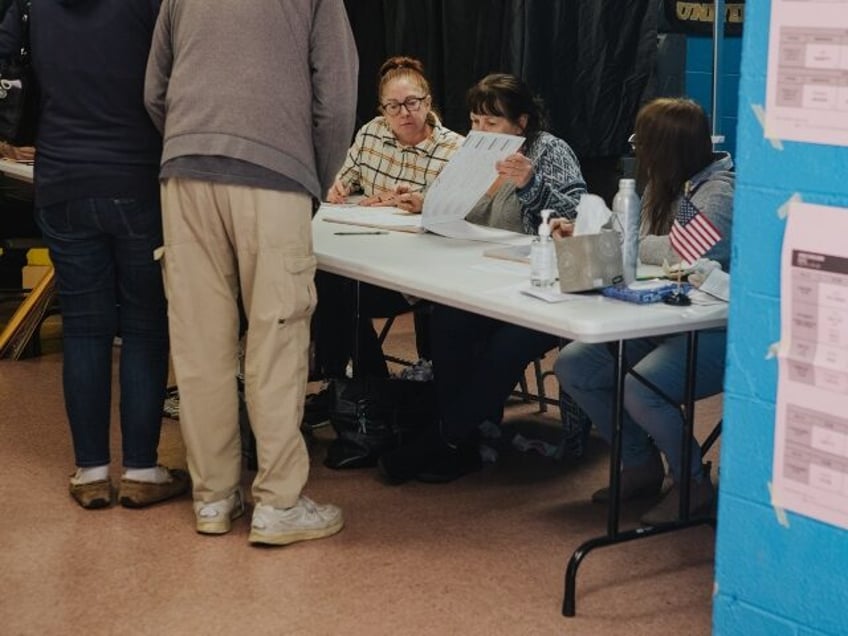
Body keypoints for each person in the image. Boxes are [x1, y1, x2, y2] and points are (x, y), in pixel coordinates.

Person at [144, 0, 358, 544]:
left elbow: (154, 90)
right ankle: (279, 503)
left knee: (198, 345)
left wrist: (193, 139)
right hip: (274, 172)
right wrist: (316, 177)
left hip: (185, 170)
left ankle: (213, 498)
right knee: (277, 335)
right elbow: (336, 92)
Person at [0, 0, 190, 509]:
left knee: (85, 326)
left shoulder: (32, 4)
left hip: (60, 178)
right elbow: (172, 81)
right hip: (135, 177)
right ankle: (143, 470)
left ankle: (90, 472)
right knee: (146, 326)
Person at [378, 73, 587, 484]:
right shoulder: (474, 154)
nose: (480, 131)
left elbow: (580, 216)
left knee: (506, 345)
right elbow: (470, 215)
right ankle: (465, 434)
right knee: (449, 321)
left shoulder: (548, 151)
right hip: (487, 281)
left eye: (491, 123)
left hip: (541, 291)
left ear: (521, 123)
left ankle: (447, 439)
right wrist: (430, 204)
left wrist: (532, 184)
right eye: (475, 121)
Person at [552, 97, 734, 525]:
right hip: (663, 315)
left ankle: (692, 483)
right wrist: (590, 233)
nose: (637, 151)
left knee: (642, 388)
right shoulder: (666, 183)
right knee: (575, 365)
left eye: (643, 142)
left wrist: (621, 240)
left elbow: (679, 253)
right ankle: (639, 463)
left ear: (667, 149)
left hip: (714, 329)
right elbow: (634, 239)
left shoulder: (720, 192)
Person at [311, 56, 463, 386]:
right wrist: (336, 186)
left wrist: (427, 204)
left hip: (420, 274)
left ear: (428, 102)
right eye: (392, 107)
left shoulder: (454, 148)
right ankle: (358, 383)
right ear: (382, 110)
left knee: (337, 297)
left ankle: (359, 387)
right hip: (366, 259)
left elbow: (467, 214)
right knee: (321, 283)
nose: (403, 114)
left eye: (411, 103)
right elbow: (343, 177)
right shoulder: (372, 133)